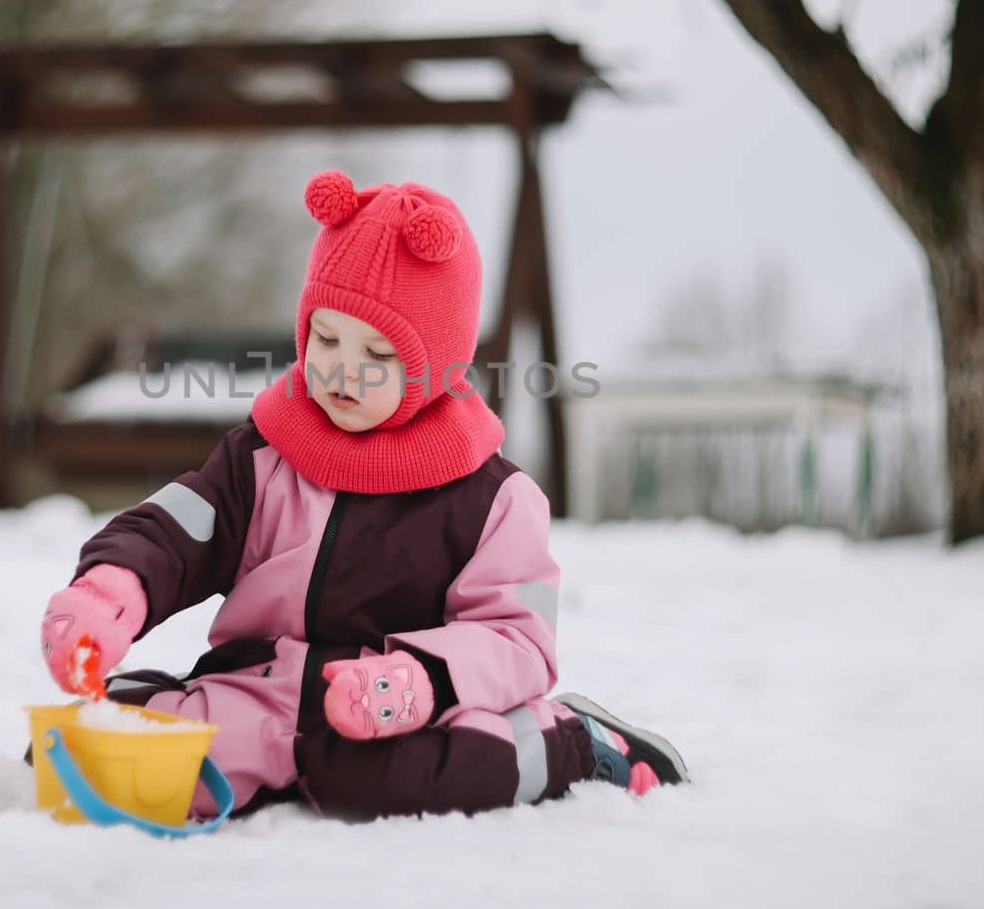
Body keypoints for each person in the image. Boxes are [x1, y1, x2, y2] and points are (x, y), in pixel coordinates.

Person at [39, 170, 688, 821]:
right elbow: (179, 528)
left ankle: (574, 742)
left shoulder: (494, 498)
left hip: (407, 717)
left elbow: (517, 638)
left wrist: (420, 679)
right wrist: (112, 589)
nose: (343, 368)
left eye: (378, 353)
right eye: (326, 338)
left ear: (438, 362)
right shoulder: (264, 456)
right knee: (84, 755)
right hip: (258, 693)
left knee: (387, 777)